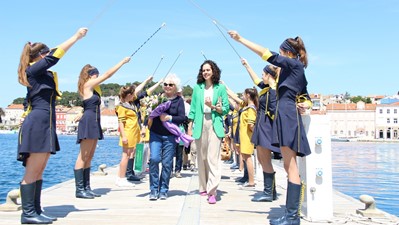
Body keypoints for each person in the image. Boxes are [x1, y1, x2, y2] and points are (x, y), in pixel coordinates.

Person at [229, 31, 312, 225]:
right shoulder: (294, 70)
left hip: (287, 117)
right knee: (287, 165)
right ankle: (292, 215)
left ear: (287, 53)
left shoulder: (293, 64)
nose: (278, 59)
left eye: (281, 53)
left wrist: (241, 39)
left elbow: (266, 54)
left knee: (290, 167)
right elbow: (306, 96)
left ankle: (292, 218)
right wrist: (305, 105)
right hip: (286, 116)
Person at [17, 27, 87, 224]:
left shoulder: (39, 73)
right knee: (32, 170)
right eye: (45, 55)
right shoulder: (33, 69)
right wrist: (75, 37)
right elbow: (54, 57)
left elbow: (29, 97)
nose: (48, 58)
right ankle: (28, 213)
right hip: (38, 123)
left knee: (39, 170)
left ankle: (36, 210)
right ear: (40, 56)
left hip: (46, 123)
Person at [74, 56, 131, 199]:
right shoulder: (87, 85)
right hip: (88, 121)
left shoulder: (92, 88)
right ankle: (79, 189)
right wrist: (122, 62)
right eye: (95, 75)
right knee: (83, 155)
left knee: (90, 156)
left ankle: (86, 187)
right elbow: (108, 75)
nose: (97, 77)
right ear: (90, 75)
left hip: (94, 121)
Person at [187, 60, 229, 204]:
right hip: (200, 123)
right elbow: (192, 109)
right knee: (202, 158)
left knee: (213, 158)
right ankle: (203, 187)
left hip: (214, 123)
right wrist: (190, 127)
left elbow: (226, 109)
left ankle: (212, 191)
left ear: (213, 71)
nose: (205, 72)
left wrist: (214, 107)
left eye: (208, 70)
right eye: (203, 70)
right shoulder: (197, 88)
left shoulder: (220, 88)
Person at [241, 59, 281, 202]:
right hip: (262, 126)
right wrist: (247, 66)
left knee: (264, 159)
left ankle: (268, 192)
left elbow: (273, 109)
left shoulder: (273, 90)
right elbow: (257, 80)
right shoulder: (267, 88)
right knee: (262, 159)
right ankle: (271, 191)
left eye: (264, 74)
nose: (262, 76)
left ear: (269, 75)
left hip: (266, 127)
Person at [148, 73, 186, 201]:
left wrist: (169, 118)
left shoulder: (179, 101)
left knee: (167, 163)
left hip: (170, 136)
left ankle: (163, 189)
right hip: (155, 133)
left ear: (176, 87)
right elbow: (150, 115)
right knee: (154, 159)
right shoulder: (157, 98)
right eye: (165, 84)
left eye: (171, 84)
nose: (168, 86)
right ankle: (153, 189)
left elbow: (183, 118)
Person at [224, 84, 258, 189]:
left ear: (248, 95)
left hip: (247, 137)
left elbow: (251, 125)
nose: (242, 96)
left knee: (248, 158)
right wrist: (225, 87)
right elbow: (235, 98)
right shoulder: (246, 106)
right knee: (245, 157)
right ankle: (247, 177)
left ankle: (251, 182)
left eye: (243, 95)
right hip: (243, 137)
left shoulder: (251, 109)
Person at [114, 85, 140, 187]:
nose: (134, 95)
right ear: (129, 95)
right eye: (133, 93)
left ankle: (120, 177)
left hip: (133, 132)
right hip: (128, 132)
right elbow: (121, 121)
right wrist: (124, 136)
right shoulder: (122, 106)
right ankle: (121, 178)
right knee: (125, 156)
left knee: (128, 155)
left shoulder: (129, 104)